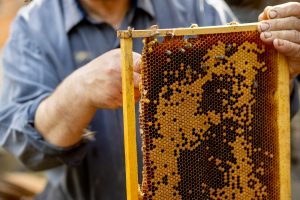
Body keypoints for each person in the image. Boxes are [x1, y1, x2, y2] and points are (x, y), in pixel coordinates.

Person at [0, 0, 299, 199]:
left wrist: (280, 68)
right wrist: (79, 90)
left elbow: (252, 116)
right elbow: (25, 146)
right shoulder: (32, 27)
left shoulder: (198, 7)